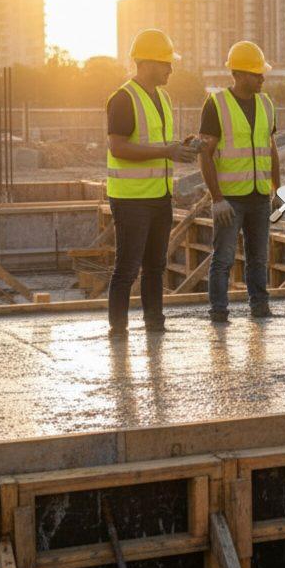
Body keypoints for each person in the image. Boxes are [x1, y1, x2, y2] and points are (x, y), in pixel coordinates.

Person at [105, 28, 198, 339]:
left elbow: (157, 143)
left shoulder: (163, 98)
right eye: (165, 63)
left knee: (156, 266)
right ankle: (118, 331)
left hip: (159, 195)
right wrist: (166, 150)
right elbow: (118, 147)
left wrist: (179, 146)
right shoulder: (122, 99)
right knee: (127, 268)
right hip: (131, 199)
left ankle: (154, 325)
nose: (171, 69)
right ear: (145, 64)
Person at [198, 40, 280, 323]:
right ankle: (219, 312)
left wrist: (276, 189)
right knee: (223, 259)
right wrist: (216, 198)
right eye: (258, 73)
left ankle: (260, 307)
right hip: (230, 199)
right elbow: (205, 155)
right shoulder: (216, 105)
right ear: (241, 74)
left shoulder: (266, 104)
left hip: (259, 196)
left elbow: (271, 149)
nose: (262, 78)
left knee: (259, 258)